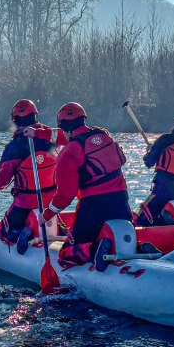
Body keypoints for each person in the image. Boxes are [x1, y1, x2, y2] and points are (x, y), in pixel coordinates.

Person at [42, 102, 132, 267]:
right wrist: (38, 133)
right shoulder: (103, 134)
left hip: (94, 207)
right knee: (121, 240)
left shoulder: (69, 151)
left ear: (63, 128)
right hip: (121, 202)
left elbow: (65, 195)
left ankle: (94, 250)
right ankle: (135, 247)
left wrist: (46, 215)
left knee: (66, 256)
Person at [0, 99, 60, 254]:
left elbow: (1, 183)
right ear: (35, 116)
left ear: (15, 120)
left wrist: (1, 183)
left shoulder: (14, 147)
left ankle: (22, 231)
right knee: (57, 222)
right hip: (52, 201)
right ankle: (51, 231)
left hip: (25, 202)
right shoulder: (52, 137)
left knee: (7, 231)